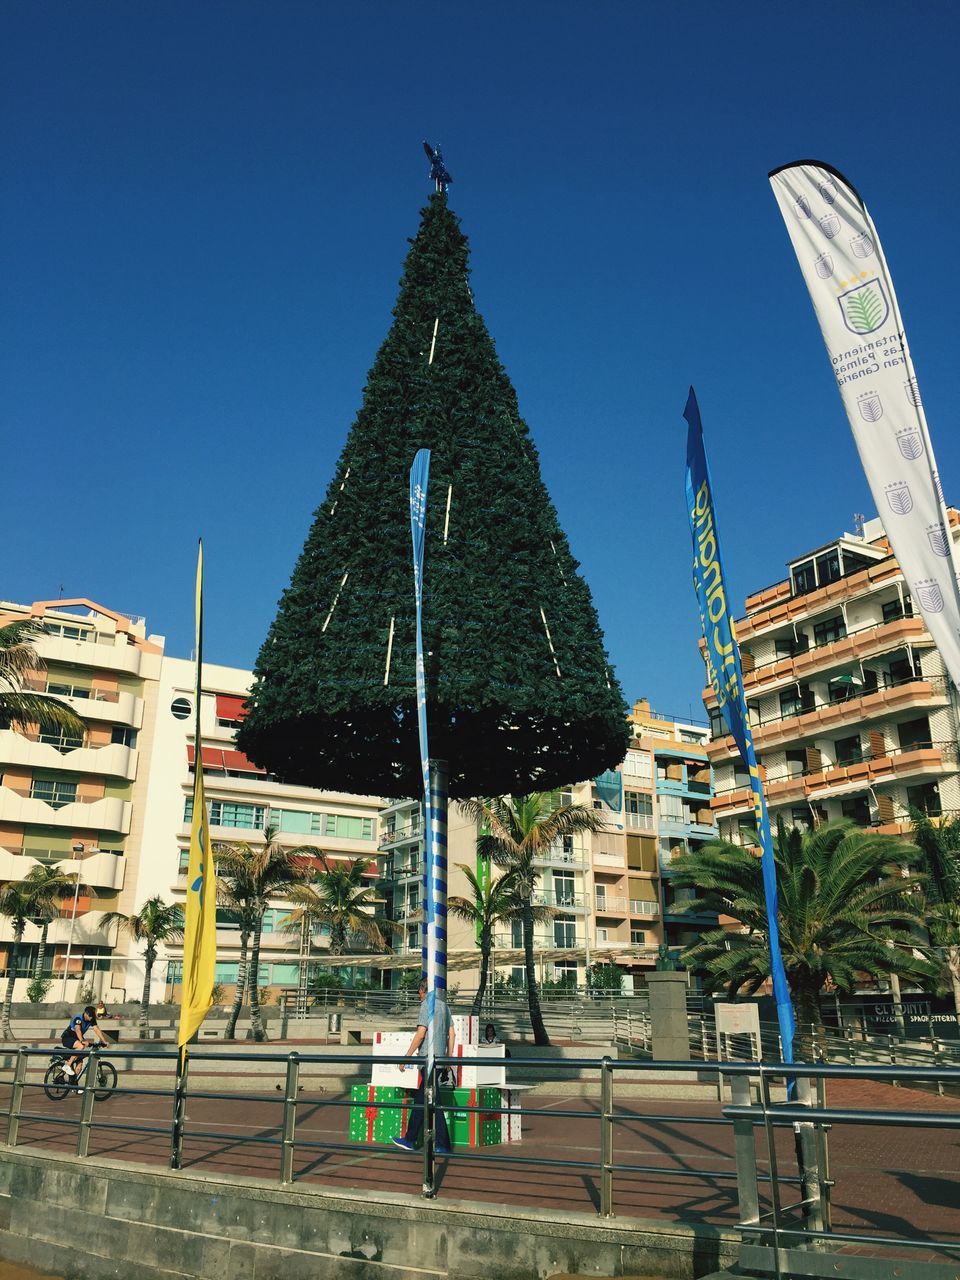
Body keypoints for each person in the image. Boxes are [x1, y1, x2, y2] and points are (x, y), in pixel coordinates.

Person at [391, 981, 456, 1155]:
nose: (419, 996)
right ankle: (424, 1140)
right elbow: (452, 1034)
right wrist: (448, 1059)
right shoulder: (444, 1006)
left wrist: (407, 1056)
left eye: (419, 992)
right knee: (427, 1100)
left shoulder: (426, 1005)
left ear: (422, 991)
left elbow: (421, 1034)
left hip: (428, 1059)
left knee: (425, 1100)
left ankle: (415, 1140)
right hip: (440, 1059)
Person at [60, 1005, 108, 1080]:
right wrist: (82, 1041)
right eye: (91, 1016)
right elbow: (77, 1029)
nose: (92, 1018)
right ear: (86, 1014)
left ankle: (73, 1084)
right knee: (81, 1046)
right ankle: (67, 1065)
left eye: (93, 1016)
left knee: (80, 1063)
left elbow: (96, 1029)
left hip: (76, 1039)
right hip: (67, 1038)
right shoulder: (79, 1018)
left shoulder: (91, 1019)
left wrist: (104, 1041)